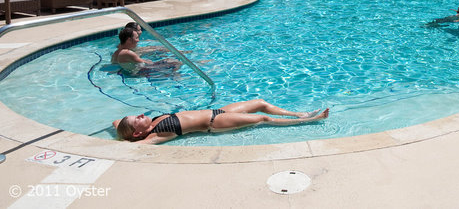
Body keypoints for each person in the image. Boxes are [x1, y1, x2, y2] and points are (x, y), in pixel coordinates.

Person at [114, 99, 330, 144]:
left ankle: (296, 114)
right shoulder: (154, 136)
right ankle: (309, 120)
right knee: (262, 118)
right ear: (136, 133)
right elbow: (130, 147)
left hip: (218, 110)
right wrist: (125, 140)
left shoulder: (152, 121)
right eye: (137, 120)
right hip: (214, 123)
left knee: (260, 103)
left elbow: (116, 122)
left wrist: (120, 127)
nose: (141, 115)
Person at [111, 26, 180, 72]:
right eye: (136, 38)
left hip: (133, 71)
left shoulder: (117, 52)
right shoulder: (127, 52)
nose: (138, 40)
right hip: (139, 73)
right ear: (129, 40)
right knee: (175, 62)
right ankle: (176, 77)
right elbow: (148, 63)